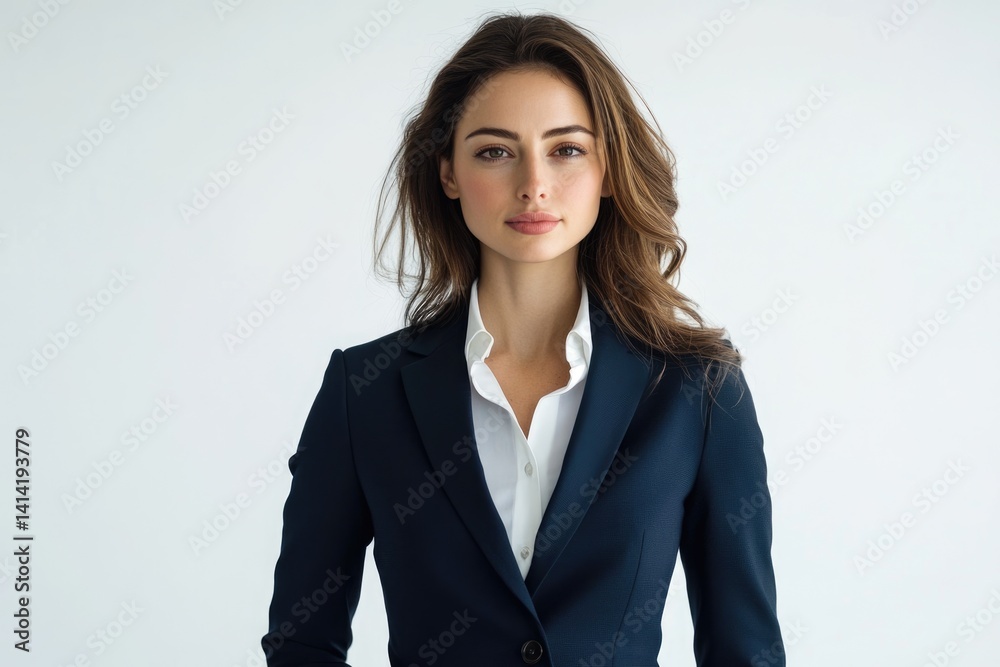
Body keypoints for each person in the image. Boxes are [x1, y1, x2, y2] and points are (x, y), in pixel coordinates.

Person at [261, 10, 784, 667]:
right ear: (448, 172)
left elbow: (746, 650)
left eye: (566, 149)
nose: (534, 183)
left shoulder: (697, 391)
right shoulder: (364, 392)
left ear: (608, 170)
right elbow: (302, 641)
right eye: (495, 151)